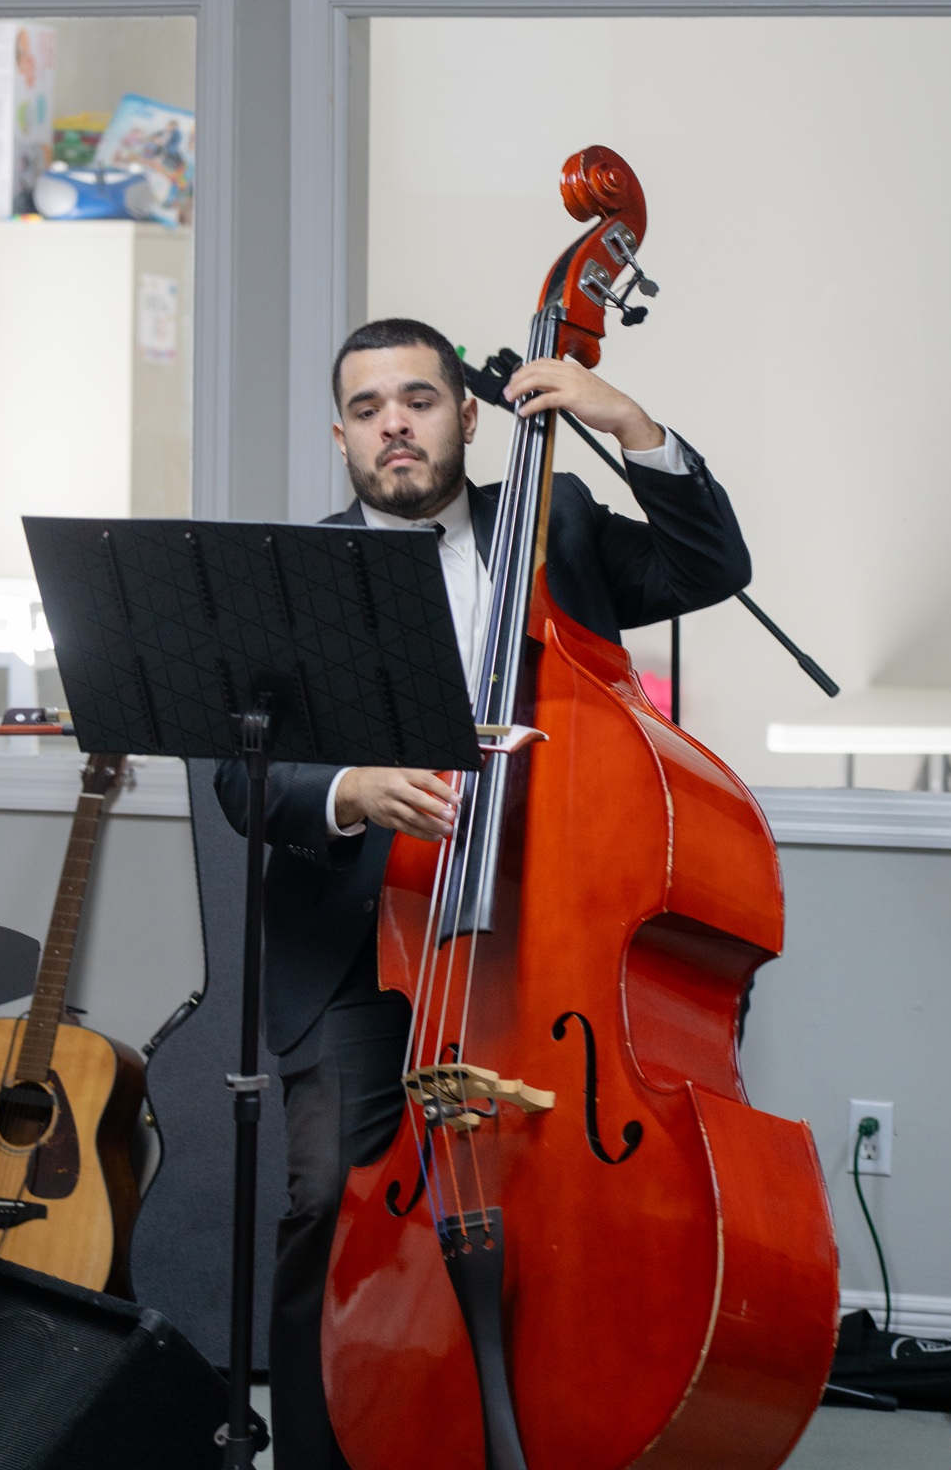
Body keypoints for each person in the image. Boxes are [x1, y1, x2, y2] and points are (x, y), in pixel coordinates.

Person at [215, 315, 751, 1470]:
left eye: (418, 399)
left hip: (547, 939)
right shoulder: (298, 573)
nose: (395, 426)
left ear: (468, 413)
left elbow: (711, 569)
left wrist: (631, 425)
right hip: (362, 951)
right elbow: (243, 778)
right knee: (330, 1200)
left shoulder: (554, 522)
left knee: (567, 1207)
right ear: (341, 437)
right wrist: (353, 788)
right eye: (368, 410)